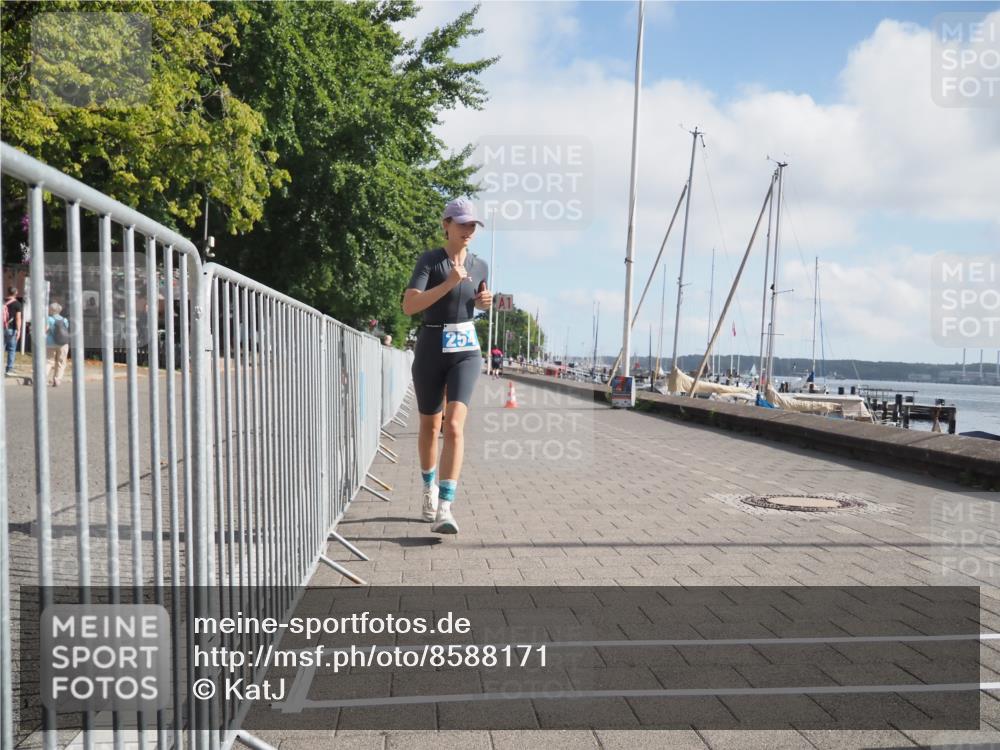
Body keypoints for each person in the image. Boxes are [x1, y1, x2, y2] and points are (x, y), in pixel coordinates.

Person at [402, 198, 491, 534]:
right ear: (446, 225)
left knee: (453, 426)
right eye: (462, 223)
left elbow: (476, 301)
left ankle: (445, 507)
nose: (468, 230)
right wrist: (449, 283)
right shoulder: (430, 260)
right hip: (431, 346)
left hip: (465, 350)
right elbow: (409, 306)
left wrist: (484, 304)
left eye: (473, 225)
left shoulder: (481, 266)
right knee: (430, 426)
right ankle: (429, 489)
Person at [45, 302, 70, 387]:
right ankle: (57, 379)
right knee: (61, 362)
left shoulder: (48, 319)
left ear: (51, 310)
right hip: (63, 343)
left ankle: (43, 378)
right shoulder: (64, 320)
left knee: (49, 361)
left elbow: (45, 330)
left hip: (50, 343)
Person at [3, 286, 23, 376]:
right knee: (11, 349)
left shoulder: (2, 301)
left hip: (2, 328)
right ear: (16, 293)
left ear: (7, 292)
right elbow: (18, 318)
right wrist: (19, 330)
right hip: (11, 329)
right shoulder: (17, 304)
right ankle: (9, 368)